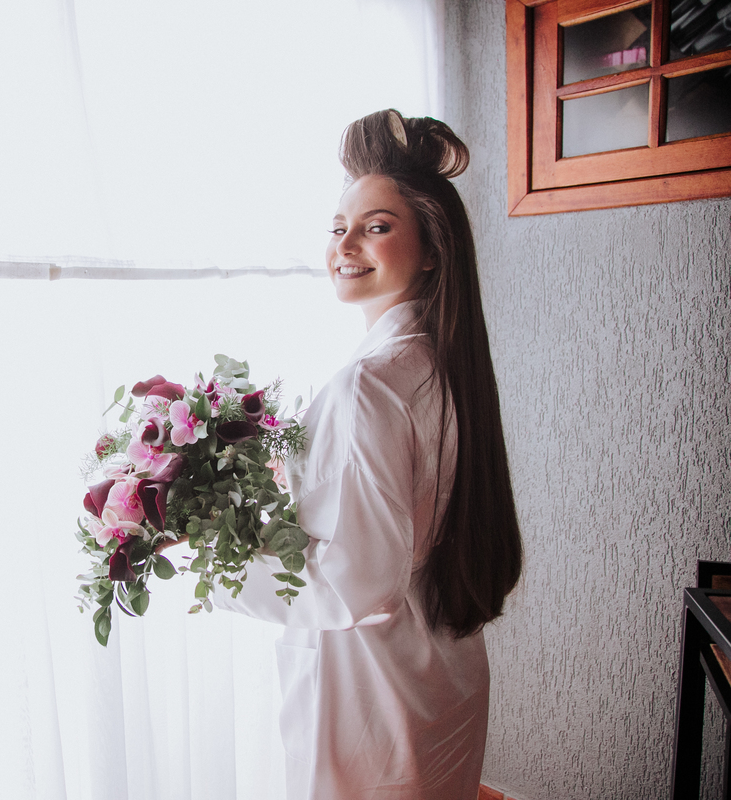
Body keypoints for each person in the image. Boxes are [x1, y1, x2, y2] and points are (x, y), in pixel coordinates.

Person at [213, 109, 524, 799]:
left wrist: (211, 561)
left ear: (433, 248)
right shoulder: (440, 362)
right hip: (439, 677)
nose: (345, 245)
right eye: (338, 227)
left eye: (376, 227)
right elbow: (409, 503)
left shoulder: (369, 384)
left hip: (374, 702)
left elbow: (354, 584)